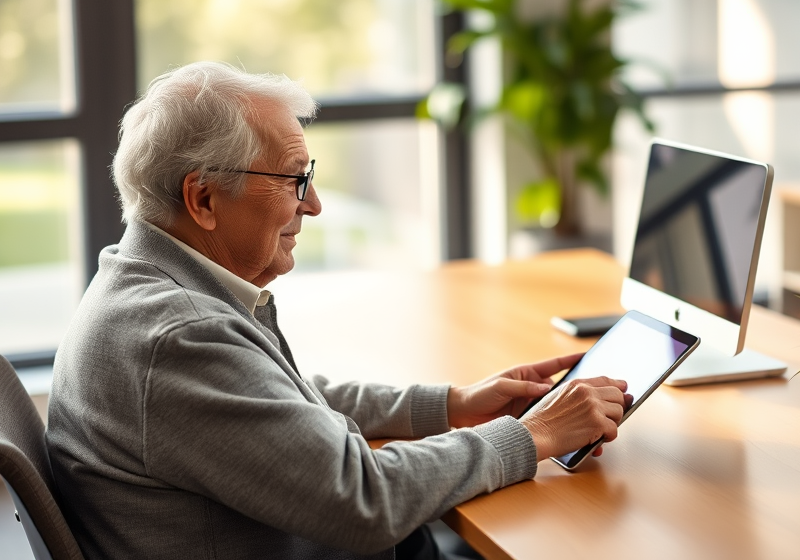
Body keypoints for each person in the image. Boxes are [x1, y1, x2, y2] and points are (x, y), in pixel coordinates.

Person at [46, 61, 632, 560]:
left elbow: (281, 397)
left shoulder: (147, 282)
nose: (316, 204)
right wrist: (535, 434)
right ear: (202, 198)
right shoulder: (178, 336)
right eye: (294, 180)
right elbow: (365, 499)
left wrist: (451, 406)